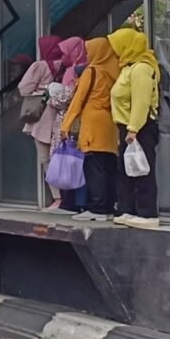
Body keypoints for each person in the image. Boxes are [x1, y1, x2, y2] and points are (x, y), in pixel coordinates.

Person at [60, 37, 119, 221]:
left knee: (94, 166)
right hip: (110, 122)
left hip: (93, 123)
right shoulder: (114, 70)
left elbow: (78, 100)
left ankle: (97, 208)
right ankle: (109, 206)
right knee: (108, 166)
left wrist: (66, 124)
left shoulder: (92, 71)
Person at [108, 27, 161, 230]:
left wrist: (133, 129)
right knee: (127, 169)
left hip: (140, 126)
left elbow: (141, 102)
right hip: (128, 126)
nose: (115, 51)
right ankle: (128, 209)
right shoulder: (129, 67)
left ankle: (147, 213)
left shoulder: (141, 68)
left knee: (141, 169)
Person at [18, 35, 64, 208]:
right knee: (63, 156)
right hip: (62, 113)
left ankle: (58, 197)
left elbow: (24, 88)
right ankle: (68, 196)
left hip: (43, 115)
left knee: (46, 158)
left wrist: (40, 91)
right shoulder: (66, 66)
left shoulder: (40, 66)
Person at [48, 36, 88, 213]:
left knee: (69, 159)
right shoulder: (77, 68)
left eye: (66, 53)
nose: (63, 57)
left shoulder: (75, 71)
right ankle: (73, 200)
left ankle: (70, 201)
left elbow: (69, 96)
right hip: (73, 121)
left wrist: (52, 100)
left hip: (69, 121)